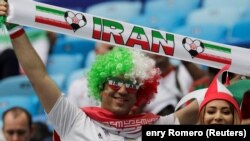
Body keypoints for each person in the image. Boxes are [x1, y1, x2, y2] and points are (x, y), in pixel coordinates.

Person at [0, 3, 199, 141]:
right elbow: (38, 76)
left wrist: (230, 66)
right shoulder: (72, 120)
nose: (122, 90)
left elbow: (205, 105)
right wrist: (14, 26)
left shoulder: (153, 126)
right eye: (114, 82)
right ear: (101, 86)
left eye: (130, 85)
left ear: (139, 94)